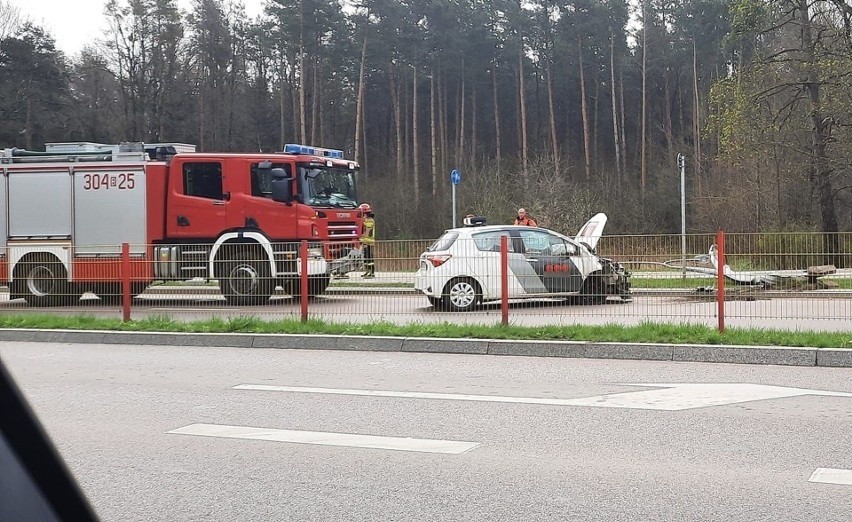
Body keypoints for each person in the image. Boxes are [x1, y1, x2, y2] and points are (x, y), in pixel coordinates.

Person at [359, 202, 376, 278]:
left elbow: (367, 232)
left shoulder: (368, 221)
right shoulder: (368, 220)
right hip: (366, 242)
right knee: (366, 257)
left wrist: (362, 240)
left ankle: (371, 272)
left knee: (369, 258)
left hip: (368, 242)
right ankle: (367, 271)